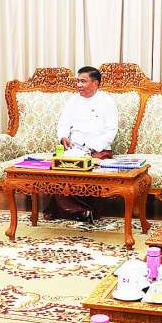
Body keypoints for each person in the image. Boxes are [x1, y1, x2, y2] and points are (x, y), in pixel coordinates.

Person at [44, 66, 119, 222]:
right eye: (78, 81)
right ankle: (82, 211)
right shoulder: (73, 100)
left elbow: (111, 131)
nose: (79, 85)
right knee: (59, 169)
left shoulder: (107, 101)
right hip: (75, 149)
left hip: (98, 150)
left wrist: (92, 149)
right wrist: (63, 137)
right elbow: (63, 123)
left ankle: (71, 210)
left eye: (83, 81)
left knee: (88, 170)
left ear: (95, 83)